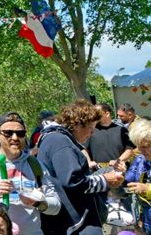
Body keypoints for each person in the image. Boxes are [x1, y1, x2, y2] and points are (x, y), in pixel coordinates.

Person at [0, 112, 60, 235]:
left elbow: (56, 206)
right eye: (8, 133)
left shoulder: (35, 165)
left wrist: (37, 202)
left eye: (20, 133)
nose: (14, 137)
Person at [37, 99, 125, 234]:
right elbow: (73, 181)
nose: (91, 134)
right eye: (90, 128)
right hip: (76, 224)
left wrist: (105, 174)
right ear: (77, 124)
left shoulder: (56, 139)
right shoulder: (61, 142)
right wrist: (105, 180)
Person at [124, 118, 151, 233]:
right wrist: (120, 175)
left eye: (144, 146)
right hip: (146, 219)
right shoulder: (140, 159)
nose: (140, 150)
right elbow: (128, 180)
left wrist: (147, 189)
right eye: (138, 146)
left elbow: (144, 188)